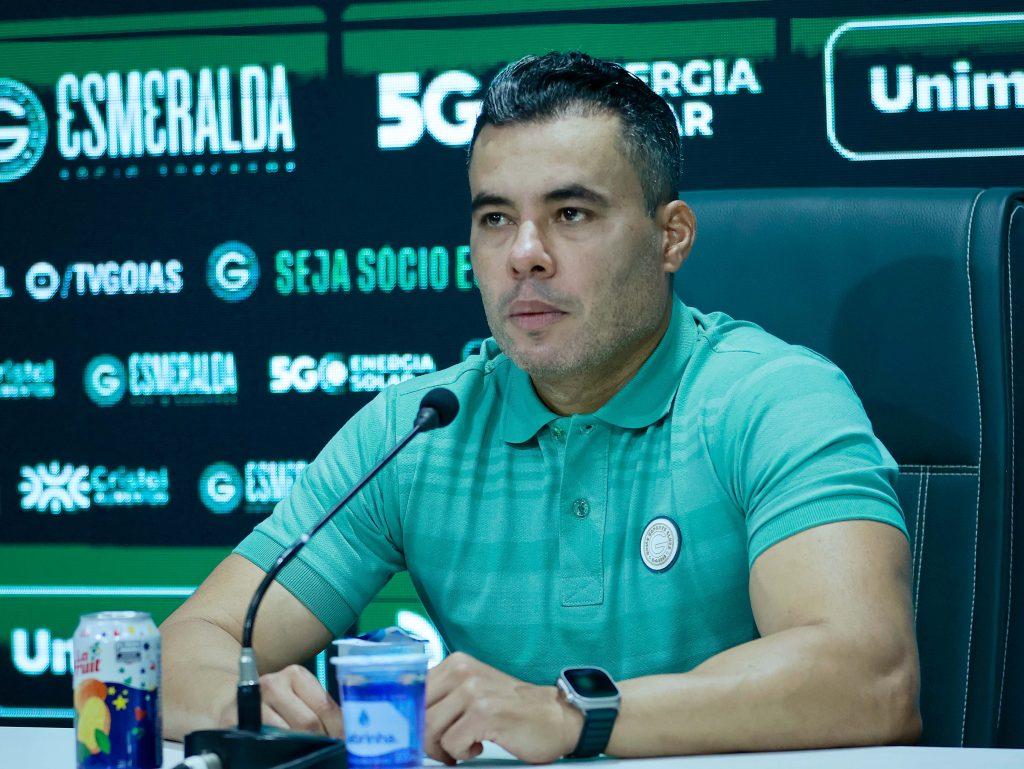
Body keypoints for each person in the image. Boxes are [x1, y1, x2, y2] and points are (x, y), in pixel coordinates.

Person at [162, 51, 921, 761]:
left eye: (571, 214)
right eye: (496, 218)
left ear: (671, 237)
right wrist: (247, 700)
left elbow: (870, 675)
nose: (525, 252)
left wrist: (572, 714)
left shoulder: (772, 399)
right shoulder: (420, 426)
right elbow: (181, 648)